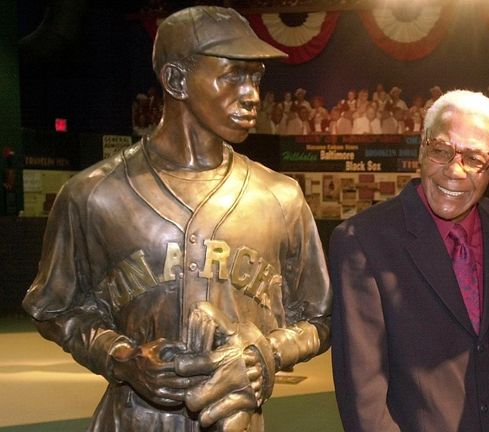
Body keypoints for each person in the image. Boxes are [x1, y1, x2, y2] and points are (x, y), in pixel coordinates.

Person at [22, 6, 332, 432]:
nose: (252, 95)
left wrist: (269, 353)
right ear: (176, 80)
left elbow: (321, 318)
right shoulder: (94, 195)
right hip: (132, 420)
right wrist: (122, 358)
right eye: (232, 76)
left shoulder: (280, 196)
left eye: (256, 78)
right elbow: (53, 308)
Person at [330, 89, 489, 431]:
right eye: (441, 151)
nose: (455, 171)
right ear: (422, 147)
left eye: (474, 159)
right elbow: (364, 400)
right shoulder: (362, 242)